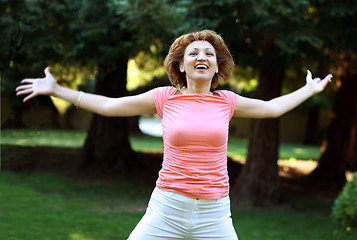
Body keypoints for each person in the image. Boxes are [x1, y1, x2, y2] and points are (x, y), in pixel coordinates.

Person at [16, 29, 332, 239]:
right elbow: (111, 106)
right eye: (193, 53)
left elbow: (272, 108)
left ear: (216, 66)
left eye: (209, 54)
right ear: (181, 65)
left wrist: (308, 89)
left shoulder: (226, 101)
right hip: (167, 209)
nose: (202, 58)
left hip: (214, 214)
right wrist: (58, 90)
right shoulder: (165, 97)